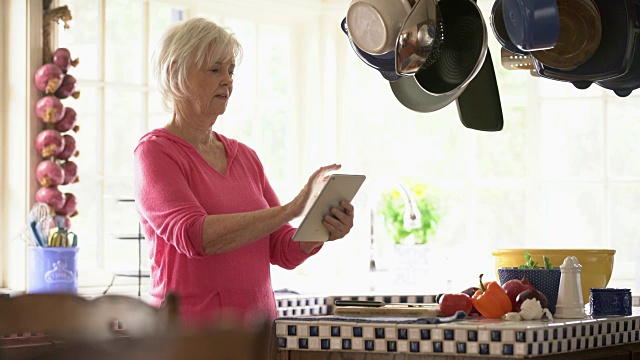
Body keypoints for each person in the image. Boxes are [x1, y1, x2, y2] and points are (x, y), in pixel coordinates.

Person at [133, 17, 355, 327]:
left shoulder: (246, 158)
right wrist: (292, 208)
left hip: (256, 334)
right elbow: (195, 237)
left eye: (231, 70)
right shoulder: (155, 152)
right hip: (188, 338)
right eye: (215, 69)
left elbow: (281, 248)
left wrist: (321, 227)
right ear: (175, 74)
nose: (227, 80)